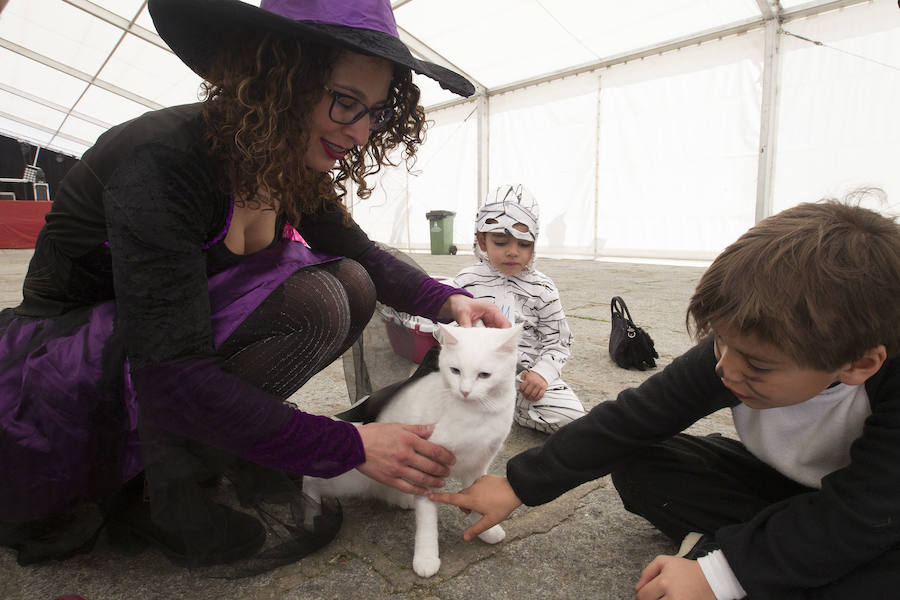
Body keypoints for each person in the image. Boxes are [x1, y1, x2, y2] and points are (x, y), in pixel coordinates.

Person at [0, 0, 509, 570]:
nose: (361, 131)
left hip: (170, 340)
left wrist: (449, 300)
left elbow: (358, 251)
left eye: (375, 111)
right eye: (346, 102)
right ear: (279, 79)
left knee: (351, 284)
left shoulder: (284, 158)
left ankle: (211, 446)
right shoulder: (162, 162)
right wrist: (348, 445)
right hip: (71, 364)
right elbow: (169, 368)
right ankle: (147, 482)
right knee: (316, 299)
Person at [430, 198, 900, 599]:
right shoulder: (739, 351)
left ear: (859, 364)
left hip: (879, 508)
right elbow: (634, 419)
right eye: (720, 342)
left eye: (756, 365)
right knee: (640, 461)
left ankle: (776, 555)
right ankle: (792, 550)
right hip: (798, 489)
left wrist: (721, 573)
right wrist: (519, 484)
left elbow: (866, 510)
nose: (726, 369)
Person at [453, 184, 586, 433]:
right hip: (473, 377)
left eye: (524, 244)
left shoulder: (543, 288)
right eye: (501, 242)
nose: (513, 252)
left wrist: (542, 374)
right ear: (482, 240)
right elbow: (447, 330)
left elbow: (559, 341)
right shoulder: (465, 281)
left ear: (534, 245)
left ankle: (512, 409)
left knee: (573, 420)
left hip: (523, 380)